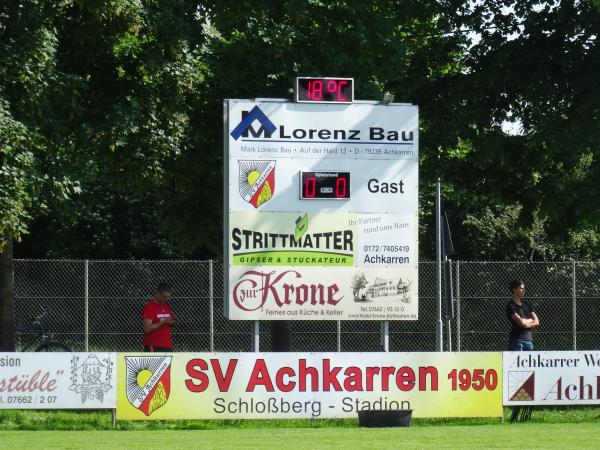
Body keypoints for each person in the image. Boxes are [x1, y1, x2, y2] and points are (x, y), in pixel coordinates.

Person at [506, 279, 539, 351]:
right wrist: (531, 320)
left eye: (524, 288)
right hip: (517, 341)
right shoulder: (511, 306)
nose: (524, 290)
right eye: (521, 288)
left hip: (529, 341)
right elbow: (521, 323)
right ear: (514, 289)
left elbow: (537, 321)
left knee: (529, 362)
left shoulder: (526, 303)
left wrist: (526, 323)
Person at [143, 282, 176, 352]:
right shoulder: (150, 307)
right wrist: (163, 322)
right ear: (157, 293)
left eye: (168, 297)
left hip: (167, 345)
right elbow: (147, 328)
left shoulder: (166, 307)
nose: (166, 299)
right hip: (154, 346)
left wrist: (172, 322)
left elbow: (170, 323)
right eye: (164, 297)